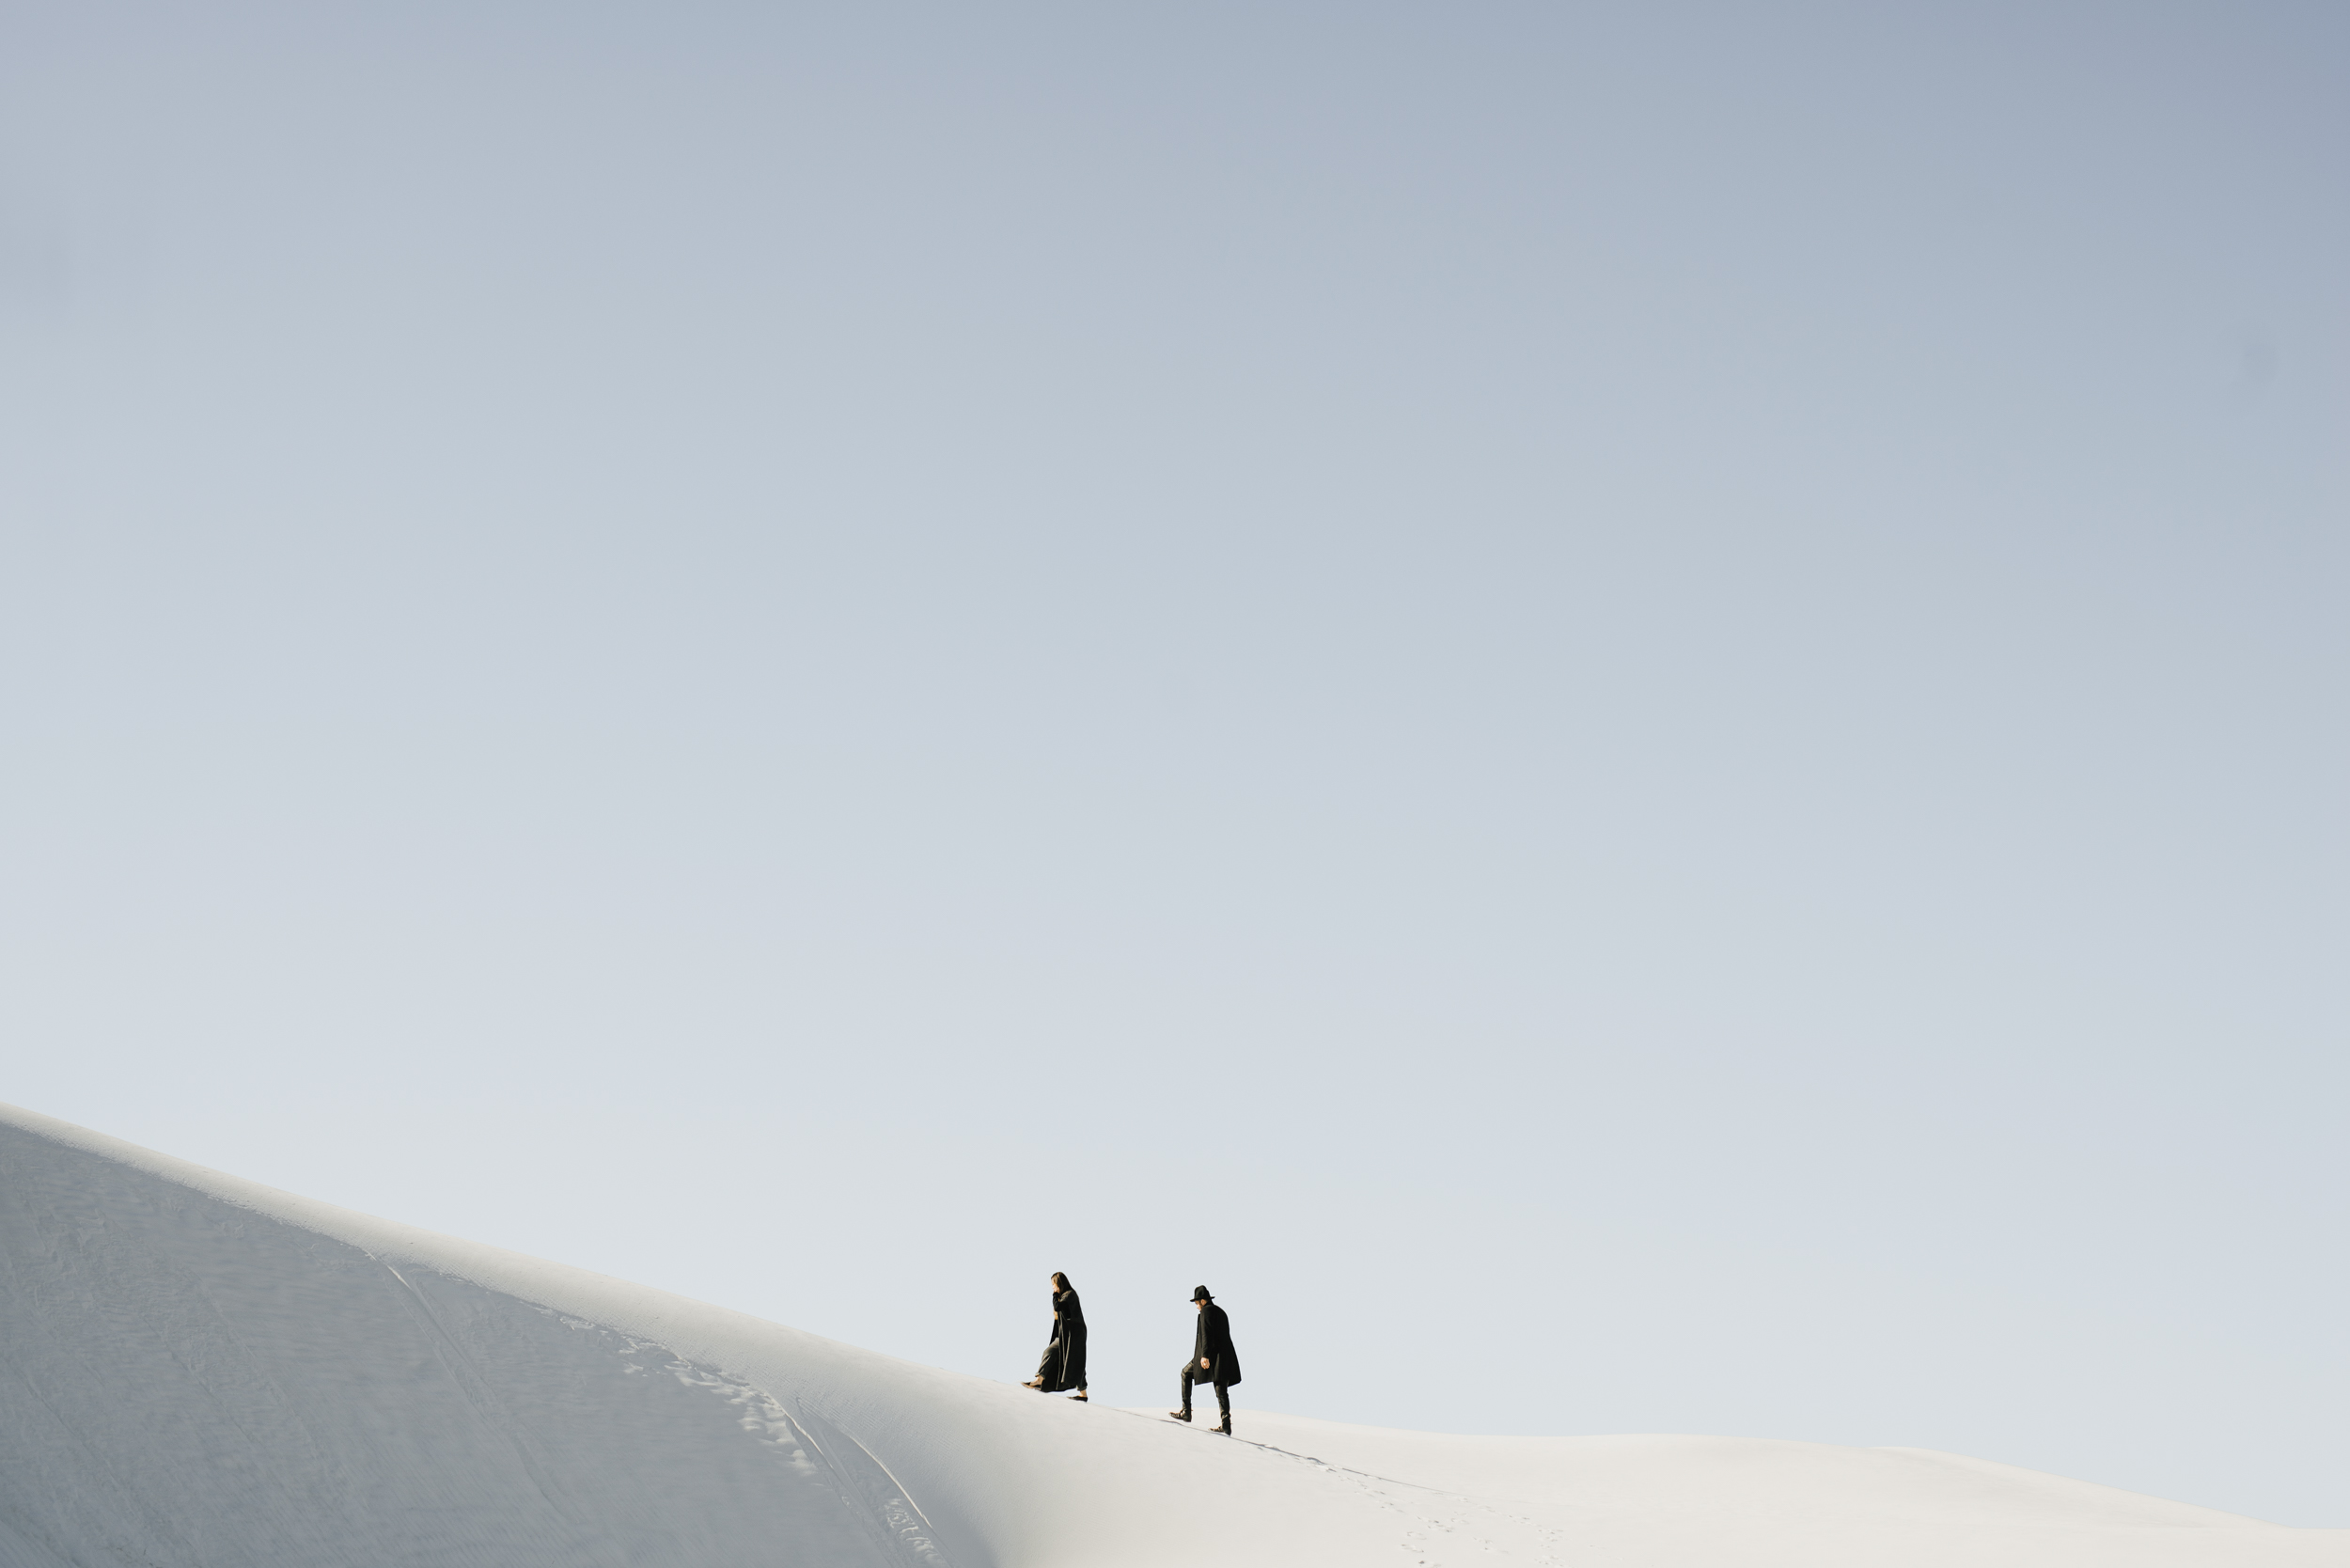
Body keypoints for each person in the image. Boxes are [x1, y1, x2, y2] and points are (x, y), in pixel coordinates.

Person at [1169, 1284, 1241, 1435]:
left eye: (1197, 1303)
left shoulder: (1206, 1312)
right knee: (1221, 1390)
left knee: (1185, 1373)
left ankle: (1186, 1411)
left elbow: (1206, 1334)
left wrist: (1204, 1355)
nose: (1197, 1307)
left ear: (1203, 1301)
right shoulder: (1221, 1312)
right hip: (1225, 1356)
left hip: (1211, 1356)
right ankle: (1226, 1425)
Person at [1023, 1271, 1088, 1400]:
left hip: (1074, 1336)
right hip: (1067, 1336)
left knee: (1074, 1362)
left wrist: (1054, 1295)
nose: (1053, 1288)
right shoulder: (1065, 1296)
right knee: (1071, 1360)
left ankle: (1039, 1380)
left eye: (1054, 1285)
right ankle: (1040, 1380)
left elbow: (1058, 1307)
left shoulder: (1069, 1295)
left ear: (1059, 1283)